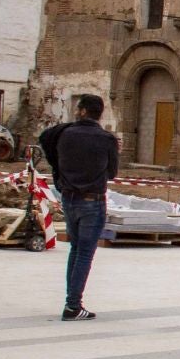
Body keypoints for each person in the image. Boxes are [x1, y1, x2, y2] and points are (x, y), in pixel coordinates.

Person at [42, 94, 119, 321]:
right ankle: (73, 305)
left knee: (76, 250)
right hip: (93, 200)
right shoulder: (106, 139)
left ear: (83, 111)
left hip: (69, 199)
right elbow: (112, 172)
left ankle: (72, 301)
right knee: (85, 253)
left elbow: (46, 139)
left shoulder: (64, 134)